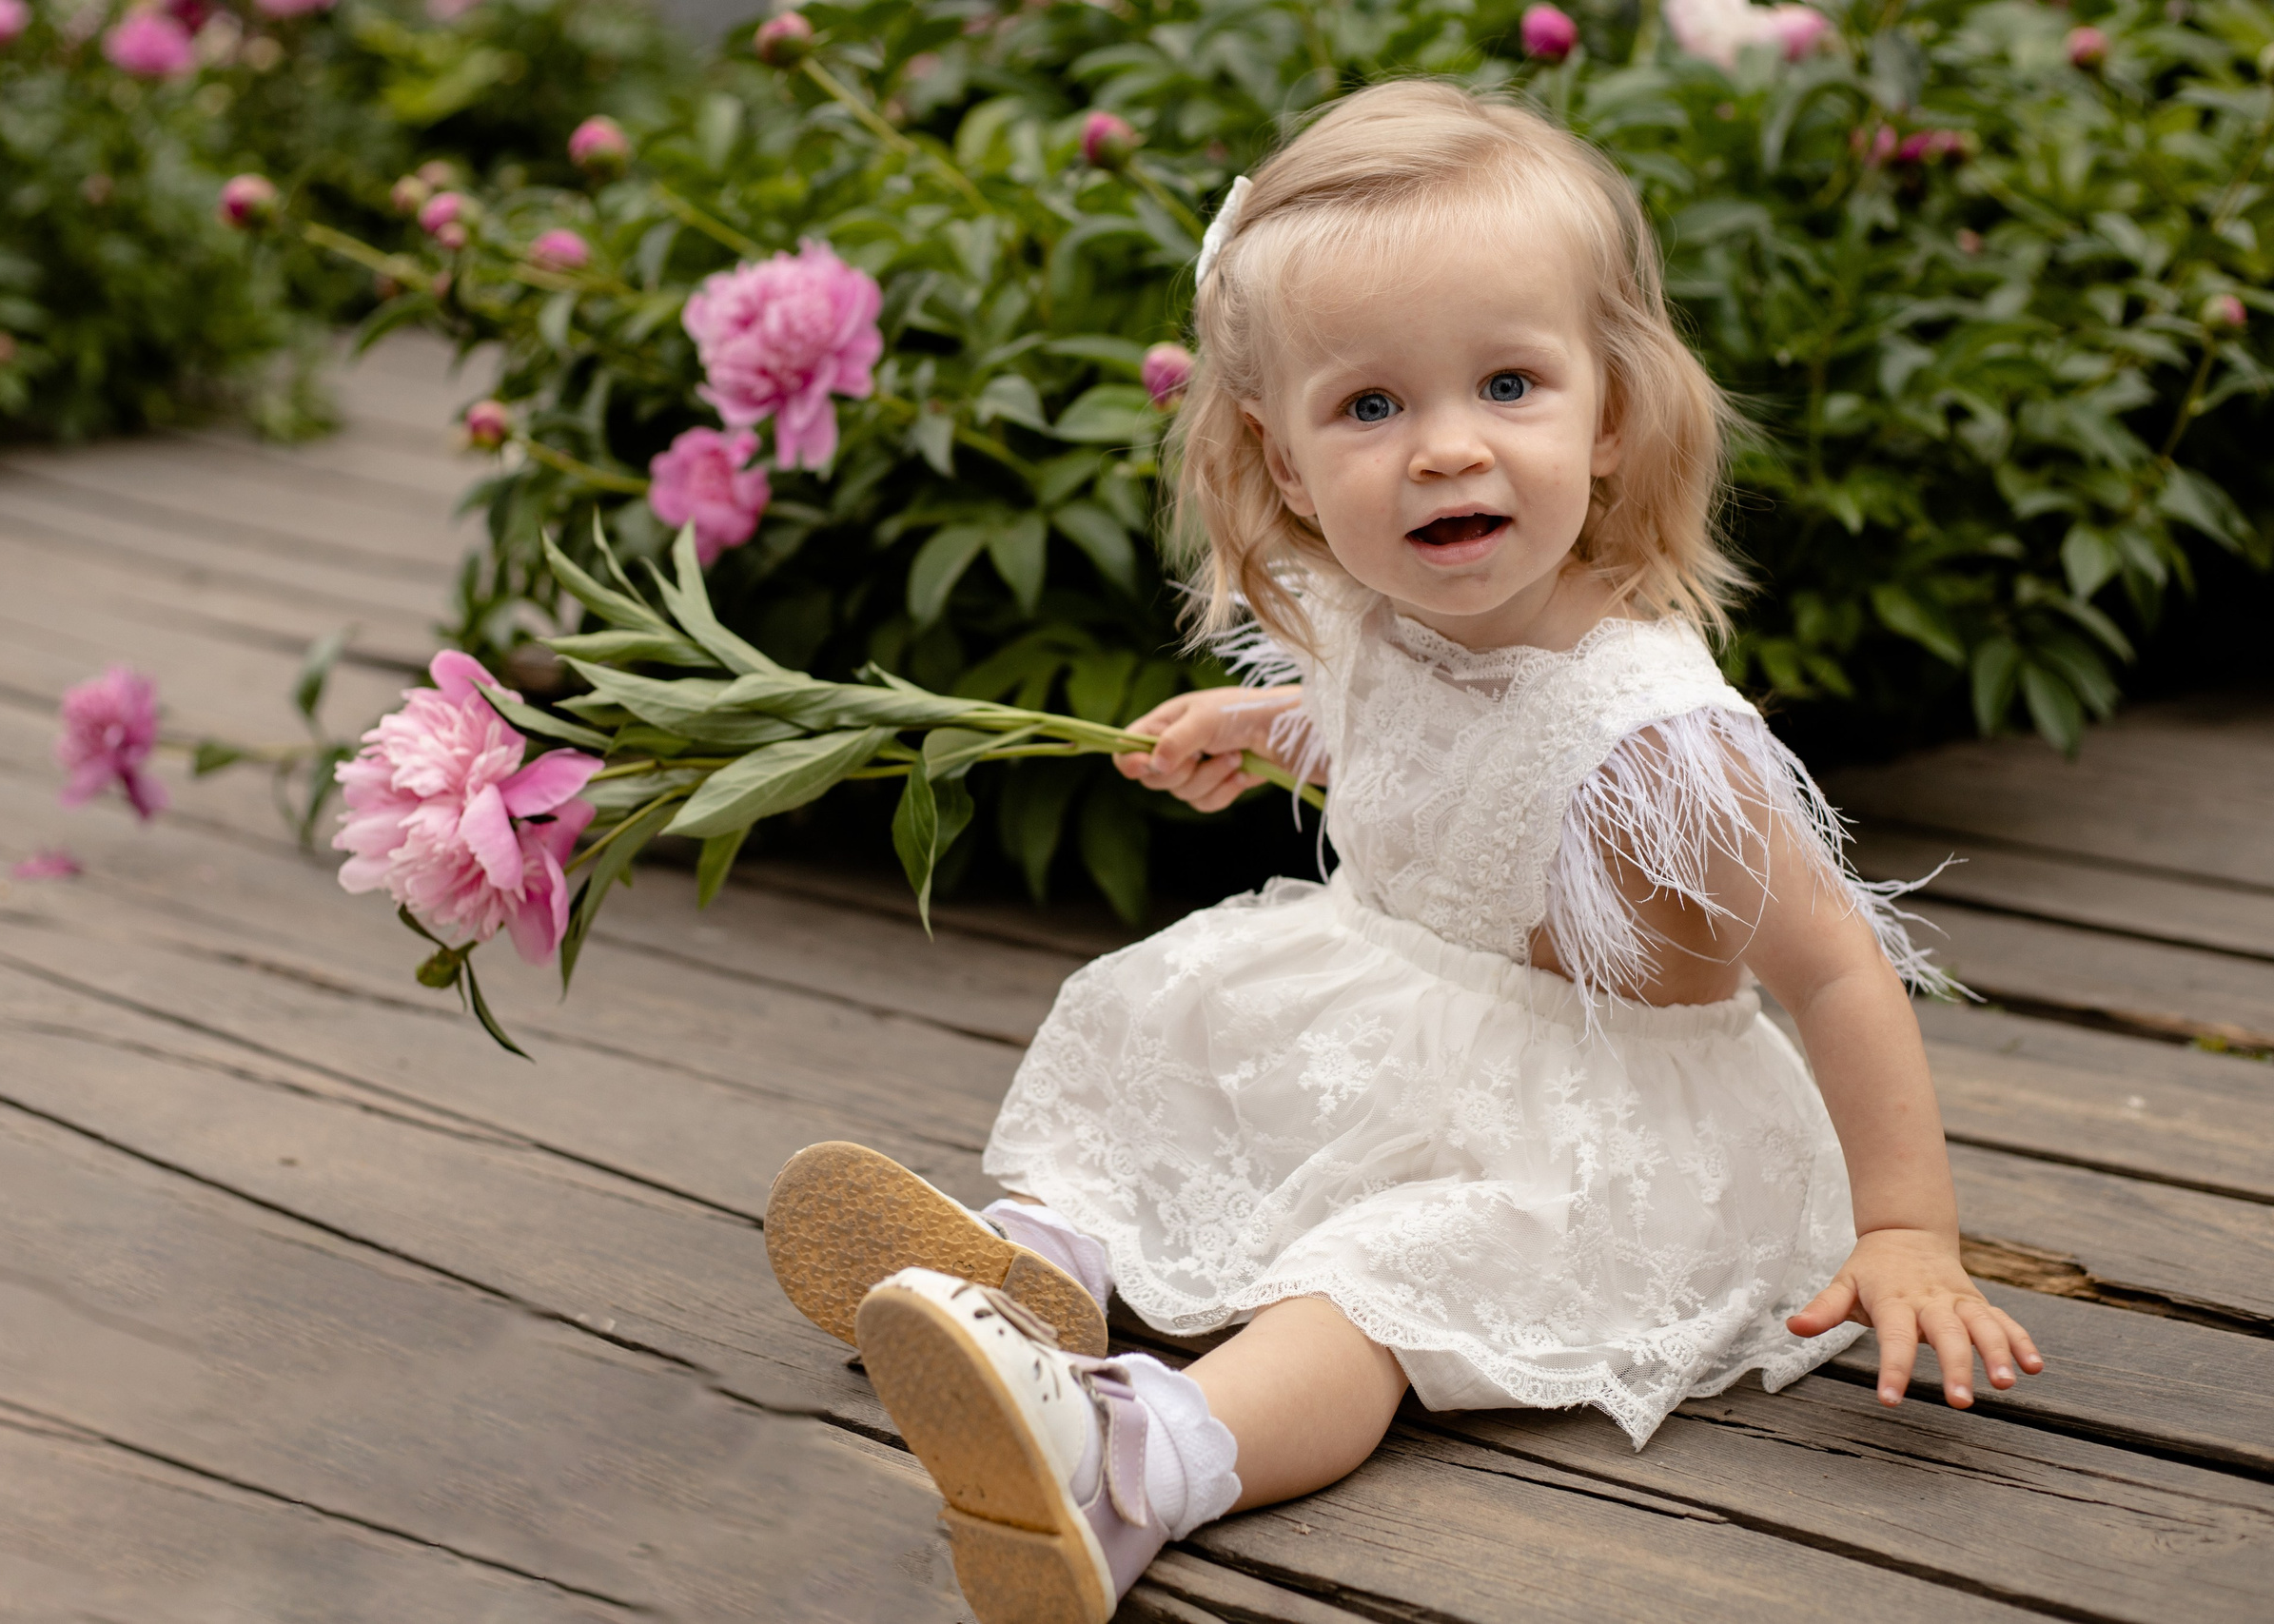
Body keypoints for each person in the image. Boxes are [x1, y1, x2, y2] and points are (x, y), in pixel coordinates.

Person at [761, 79, 2044, 1624]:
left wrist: (1907, 1229)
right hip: (1402, 1018)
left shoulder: (1652, 741)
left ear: (1611, 410)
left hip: (1586, 1134)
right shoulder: (1384, 615)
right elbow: (1439, 743)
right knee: (1168, 1037)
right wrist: (1285, 729)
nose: (1445, 450)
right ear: (1286, 462)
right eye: (1372, 407)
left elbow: (1836, 968)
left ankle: (1141, 1457)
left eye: (1509, 384)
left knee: (1371, 1285)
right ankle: (1040, 1272)